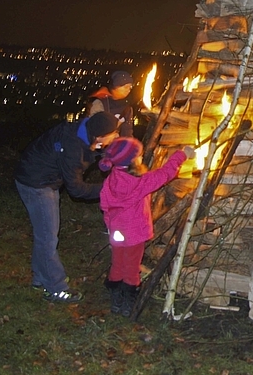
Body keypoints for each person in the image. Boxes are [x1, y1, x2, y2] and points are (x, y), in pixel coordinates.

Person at [14, 112, 120, 303]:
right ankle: (56, 288)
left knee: (44, 233)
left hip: (42, 178)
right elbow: (77, 189)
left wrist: (103, 154)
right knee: (47, 236)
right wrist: (108, 190)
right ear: (100, 136)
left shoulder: (83, 130)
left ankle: (41, 277)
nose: (117, 137)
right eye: (113, 134)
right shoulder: (72, 148)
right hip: (36, 183)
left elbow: (90, 151)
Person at [99, 138, 195, 317]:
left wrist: (111, 225)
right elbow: (165, 174)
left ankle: (116, 301)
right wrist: (182, 154)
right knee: (132, 267)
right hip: (135, 233)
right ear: (134, 161)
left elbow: (104, 205)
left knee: (118, 263)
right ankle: (128, 302)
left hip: (117, 232)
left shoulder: (111, 180)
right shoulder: (139, 183)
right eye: (140, 155)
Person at [86, 70, 135, 137]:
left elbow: (127, 131)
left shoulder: (127, 107)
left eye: (130, 87)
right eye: (125, 87)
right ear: (115, 86)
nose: (128, 90)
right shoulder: (100, 102)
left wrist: (129, 145)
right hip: (100, 144)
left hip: (117, 146)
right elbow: (94, 127)